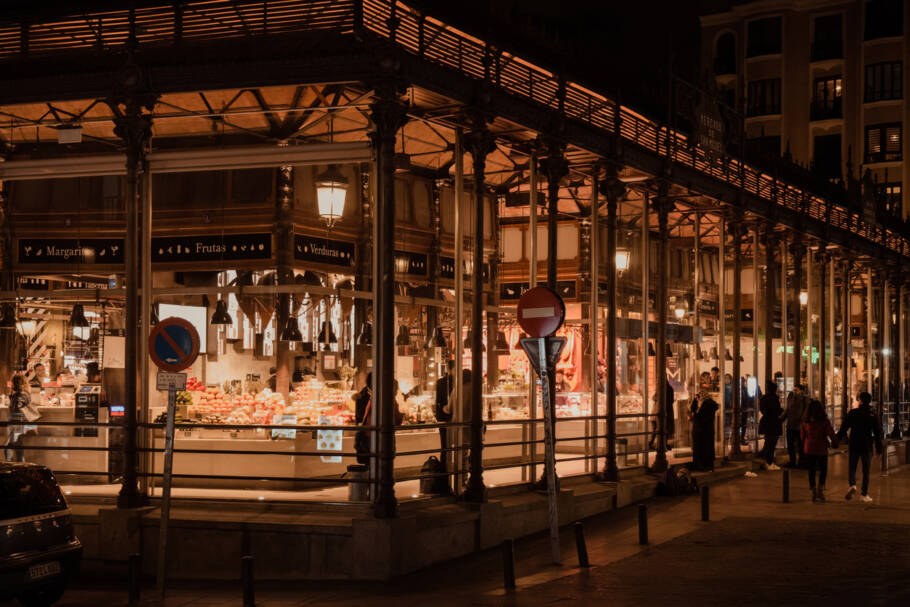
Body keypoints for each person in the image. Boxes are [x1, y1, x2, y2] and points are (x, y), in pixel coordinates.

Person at [837, 391, 883, 503]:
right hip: (866, 445)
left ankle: (852, 484)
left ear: (860, 400)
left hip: (854, 444)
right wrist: (879, 448)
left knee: (852, 467)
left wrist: (835, 440)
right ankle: (864, 494)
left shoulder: (853, 413)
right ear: (870, 401)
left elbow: (843, 428)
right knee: (866, 471)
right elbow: (878, 433)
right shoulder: (872, 414)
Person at [801, 399, 838, 502]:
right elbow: (831, 433)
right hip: (821, 448)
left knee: (811, 470)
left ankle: (813, 490)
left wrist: (803, 445)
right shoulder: (824, 421)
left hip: (809, 448)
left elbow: (802, 436)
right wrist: (835, 443)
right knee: (823, 470)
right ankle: (820, 490)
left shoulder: (806, 421)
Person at [690, 389, 718, 471]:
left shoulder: (707, 405)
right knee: (707, 449)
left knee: (702, 450)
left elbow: (699, 417)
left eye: (698, 396)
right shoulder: (708, 404)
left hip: (702, 431)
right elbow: (693, 409)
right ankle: (708, 466)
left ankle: (702, 466)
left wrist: (694, 414)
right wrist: (695, 401)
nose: (697, 398)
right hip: (706, 431)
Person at [781, 383, 809, 468]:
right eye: (794, 390)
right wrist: (781, 418)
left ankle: (802, 461)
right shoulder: (791, 399)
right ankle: (792, 461)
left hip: (800, 426)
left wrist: (802, 420)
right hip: (790, 425)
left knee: (801, 445)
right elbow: (787, 410)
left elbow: (806, 412)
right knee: (790, 445)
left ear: (801, 391)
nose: (794, 391)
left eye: (796, 390)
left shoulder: (805, 400)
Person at [758, 380, 784, 470]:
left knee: (768, 442)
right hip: (774, 423)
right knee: (771, 444)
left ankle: (767, 460)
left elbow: (762, 409)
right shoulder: (774, 398)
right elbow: (777, 410)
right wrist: (781, 411)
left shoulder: (764, 398)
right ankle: (769, 462)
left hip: (766, 422)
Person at [5, 374, 30, 462]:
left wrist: (14, 400)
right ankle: (19, 464)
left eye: (12, 382)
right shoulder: (23, 393)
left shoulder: (21, 394)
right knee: (18, 445)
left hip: (17, 422)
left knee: (10, 446)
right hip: (19, 423)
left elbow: (18, 406)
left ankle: (11, 464)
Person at [435, 361, 454, 463]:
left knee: (445, 445)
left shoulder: (440, 382)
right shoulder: (456, 382)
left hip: (442, 418)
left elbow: (437, 402)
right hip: (452, 418)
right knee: (452, 446)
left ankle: (444, 468)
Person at [649, 378, 675, 450]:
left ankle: (653, 443)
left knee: (656, 429)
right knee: (664, 428)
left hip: (657, 412)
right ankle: (663, 444)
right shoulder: (670, 388)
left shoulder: (660, 389)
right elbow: (672, 400)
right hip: (666, 412)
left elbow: (654, 398)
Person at [353, 372, 372, 465]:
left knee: (369, 461)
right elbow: (361, 415)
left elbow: (359, 416)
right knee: (373, 461)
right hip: (370, 434)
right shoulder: (370, 397)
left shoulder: (362, 394)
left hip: (366, 434)